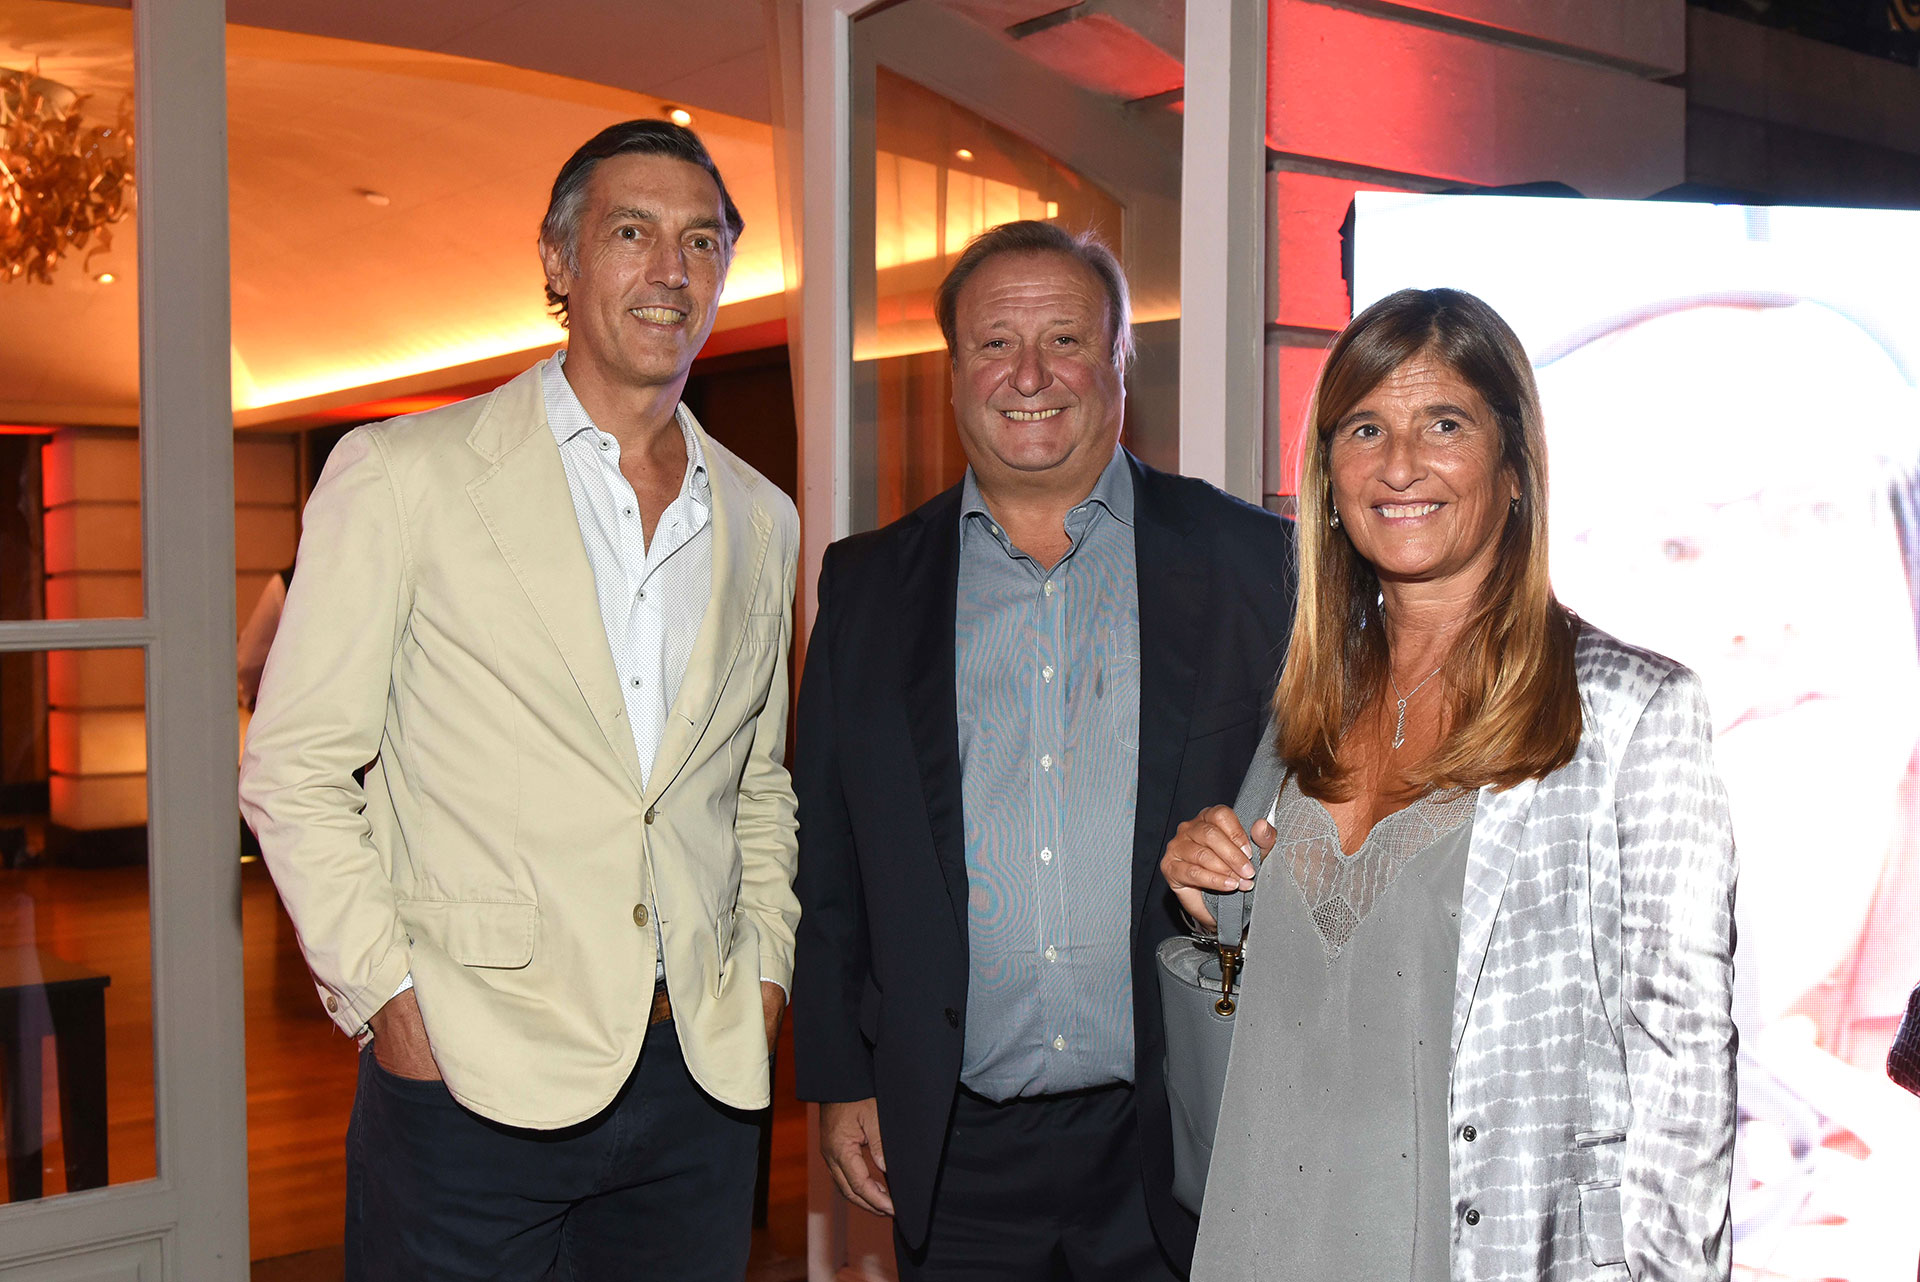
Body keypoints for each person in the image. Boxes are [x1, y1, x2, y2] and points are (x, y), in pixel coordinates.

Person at [237, 120, 800, 1281]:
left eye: (701, 241)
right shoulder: (404, 475)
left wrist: (767, 977)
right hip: (467, 1081)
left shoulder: (762, 516)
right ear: (558, 259)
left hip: (696, 1083)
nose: (669, 270)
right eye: (630, 232)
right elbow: (292, 767)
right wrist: (388, 1001)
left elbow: (755, 785)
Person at [1161, 287, 1737, 1280]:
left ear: (1514, 467)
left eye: (1444, 423)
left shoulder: (1631, 715)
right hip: (1260, 1233)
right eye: (1365, 428)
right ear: (1328, 477)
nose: (1398, 465)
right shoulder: (1302, 706)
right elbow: (1315, 992)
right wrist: (1216, 901)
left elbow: (1686, 1090)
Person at [791, 219, 1297, 1281]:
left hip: (1181, 1125)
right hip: (953, 1142)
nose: (1028, 374)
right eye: (992, 344)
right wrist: (840, 1075)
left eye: (1066, 340)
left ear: (1119, 363)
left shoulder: (1253, 562)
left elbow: (1331, 805)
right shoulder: (868, 586)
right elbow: (826, 855)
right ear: (954, 370)